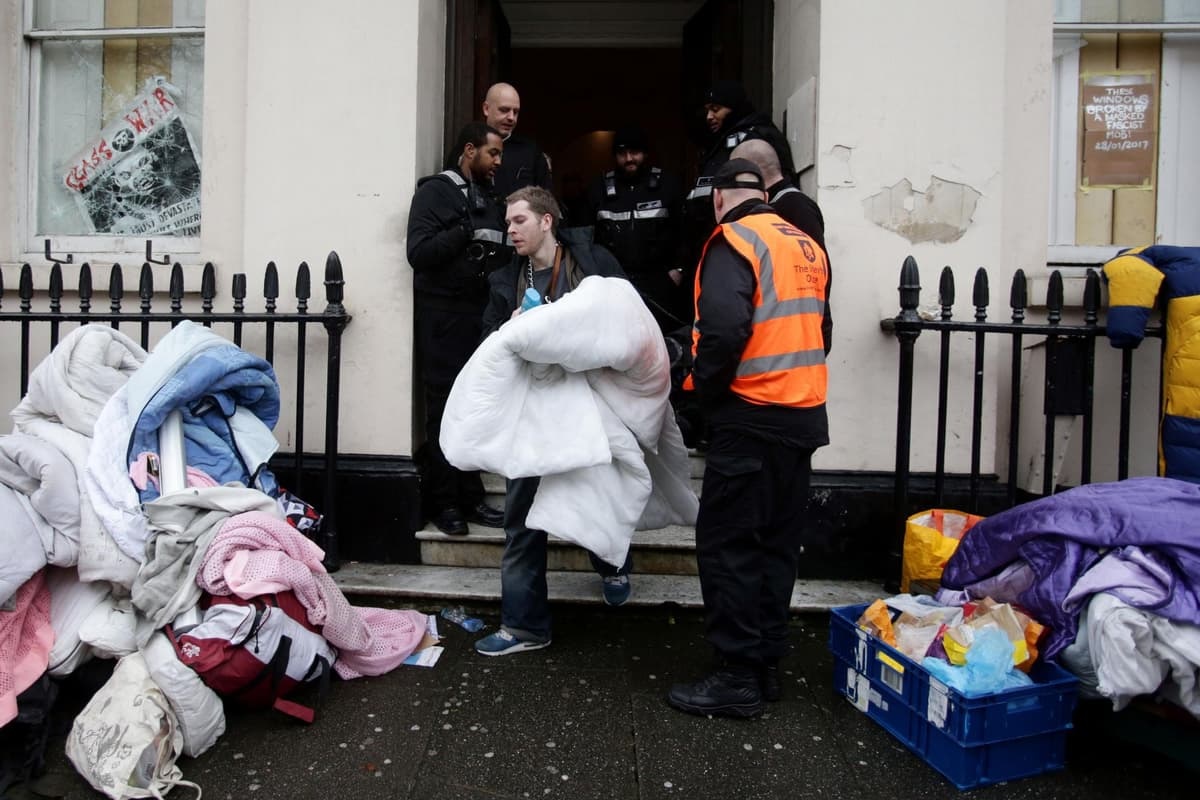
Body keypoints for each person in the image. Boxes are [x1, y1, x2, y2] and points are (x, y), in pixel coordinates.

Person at [667, 159, 830, 718]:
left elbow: (724, 329)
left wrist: (703, 397)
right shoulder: (804, 243)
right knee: (776, 550)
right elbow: (821, 331)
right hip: (802, 418)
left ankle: (737, 677)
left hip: (751, 417)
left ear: (718, 198)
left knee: (730, 548)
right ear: (763, 191)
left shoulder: (734, 238)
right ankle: (764, 667)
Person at [473, 186, 634, 656]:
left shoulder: (592, 262)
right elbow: (488, 343)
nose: (510, 229)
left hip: (592, 406)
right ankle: (524, 627)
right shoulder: (507, 279)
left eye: (519, 220)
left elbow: (627, 320)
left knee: (599, 494)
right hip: (535, 412)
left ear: (547, 221)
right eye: (508, 222)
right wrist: (517, 330)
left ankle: (614, 565)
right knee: (520, 517)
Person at [407, 122, 510, 536]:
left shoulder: (489, 196)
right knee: (445, 408)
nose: (499, 162)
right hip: (443, 318)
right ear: (470, 151)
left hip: (479, 317)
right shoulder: (435, 192)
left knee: (474, 408)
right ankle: (444, 502)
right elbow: (418, 252)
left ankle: (471, 498)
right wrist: (462, 230)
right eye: (494, 154)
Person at [682, 80, 795, 274]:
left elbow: (775, 189)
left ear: (733, 108)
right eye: (708, 110)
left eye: (716, 109)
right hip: (714, 245)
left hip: (743, 248)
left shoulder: (757, 137)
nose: (709, 116)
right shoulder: (717, 144)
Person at [731, 138, 832, 354]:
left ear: (752, 173)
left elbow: (815, 271)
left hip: (797, 340)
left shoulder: (793, 206)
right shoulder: (778, 204)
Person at [585, 126, 687, 333]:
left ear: (646, 153)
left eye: (635, 152)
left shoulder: (667, 185)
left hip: (660, 285)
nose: (629, 158)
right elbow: (585, 236)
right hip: (614, 284)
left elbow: (684, 231)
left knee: (662, 341)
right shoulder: (599, 189)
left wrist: (678, 269)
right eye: (622, 153)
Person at [482, 82, 553, 198]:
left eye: (516, 112)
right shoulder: (471, 148)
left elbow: (546, 200)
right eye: (504, 110)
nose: (511, 117)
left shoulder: (531, 151)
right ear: (486, 109)